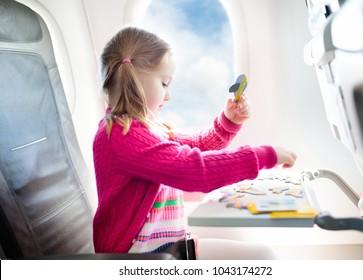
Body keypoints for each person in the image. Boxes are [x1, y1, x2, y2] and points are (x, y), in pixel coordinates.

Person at [92, 26, 297, 259]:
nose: (168, 96)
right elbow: (195, 170)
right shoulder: (121, 136)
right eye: (164, 83)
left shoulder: (148, 129)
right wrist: (264, 155)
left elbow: (195, 147)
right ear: (136, 80)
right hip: (138, 258)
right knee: (264, 258)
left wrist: (227, 122)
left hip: (167, 248)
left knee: (264, 255)